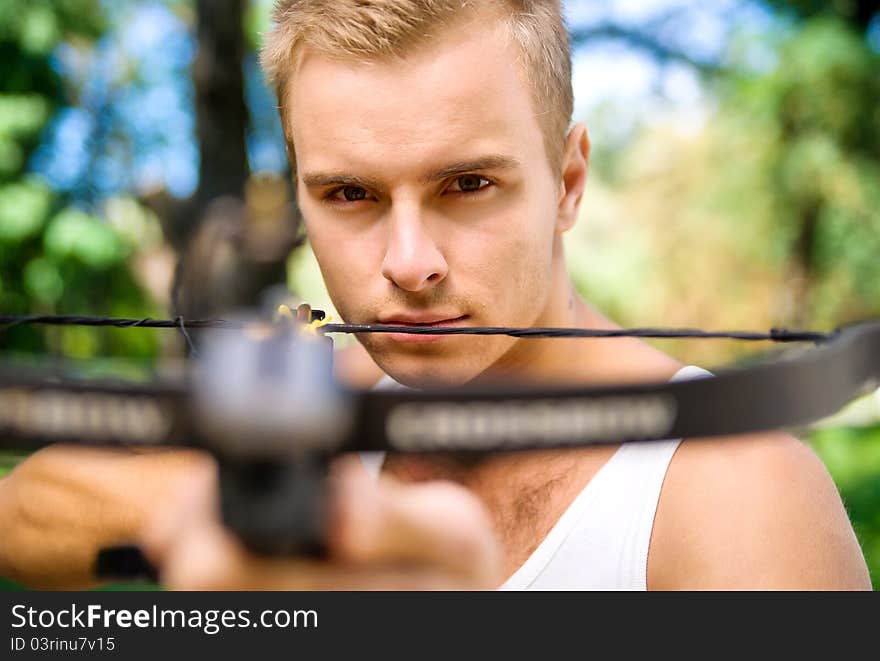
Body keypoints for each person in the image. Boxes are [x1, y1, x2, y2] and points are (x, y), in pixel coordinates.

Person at [0, 0, 870, 590]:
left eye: (466, 184)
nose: (410, 263)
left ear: (568, 182)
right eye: (350, 195)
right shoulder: (330, 409)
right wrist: (276, 510)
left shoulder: (736, 488)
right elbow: (26, 511)